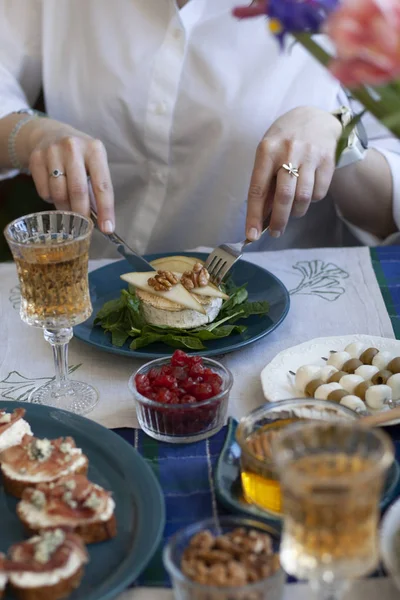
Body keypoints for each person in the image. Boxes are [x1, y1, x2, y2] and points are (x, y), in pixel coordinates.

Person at [0, 0, 399, 259]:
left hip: (281, 302)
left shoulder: (363, 11)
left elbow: (388, 214)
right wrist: (34, 136)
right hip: (94, 294)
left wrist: (339, 134)